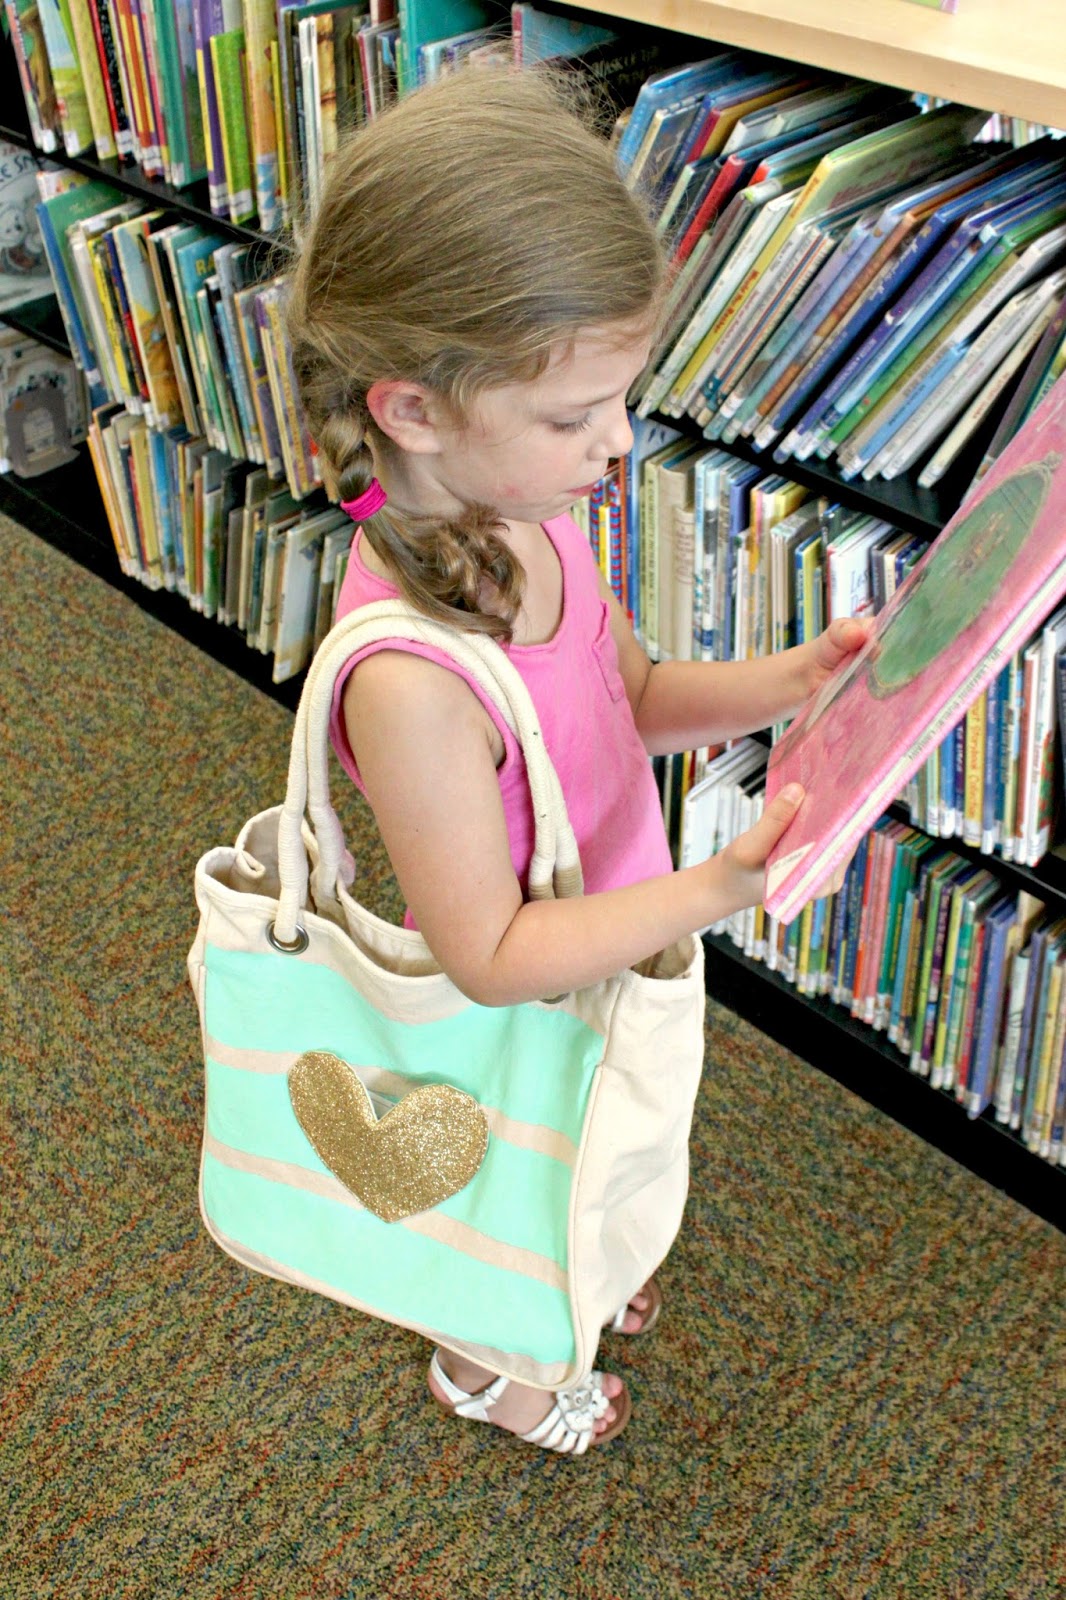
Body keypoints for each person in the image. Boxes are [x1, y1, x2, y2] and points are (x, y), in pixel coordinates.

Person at [286, 65, 868, 1456]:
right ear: (415, 409)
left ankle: (589, 1261)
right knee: (507, 1189)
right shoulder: (410, 683)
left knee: (601, 1148)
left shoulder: (529, 517)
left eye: (619, 402)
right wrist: (710, 892)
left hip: (611, 941)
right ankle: (489, 1363)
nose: (616, 446)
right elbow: (488, 952)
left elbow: (630, 697)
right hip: (521, 1008)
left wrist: (784, 685)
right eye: (573, 417)